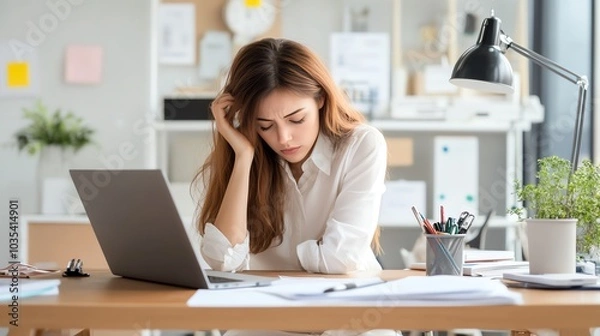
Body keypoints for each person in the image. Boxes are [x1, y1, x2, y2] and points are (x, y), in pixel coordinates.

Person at [193, 38, 396, 336]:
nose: (284, 138)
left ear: (321, 99)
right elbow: (222, 260)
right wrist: (244, 157)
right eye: (265, 125)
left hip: (350, 313)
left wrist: (278, 262)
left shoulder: (361, 144)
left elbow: (341, 258)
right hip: (270, 317)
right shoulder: (241, 156)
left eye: (296, 119)